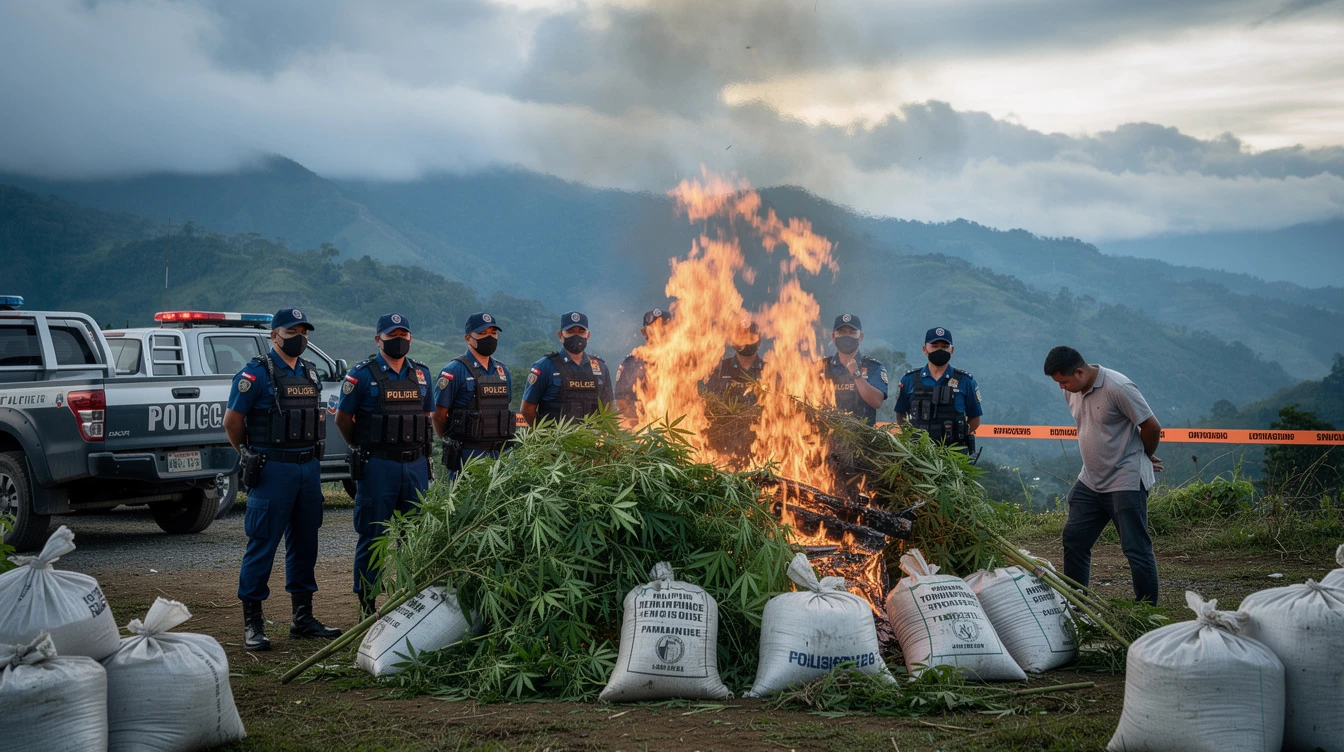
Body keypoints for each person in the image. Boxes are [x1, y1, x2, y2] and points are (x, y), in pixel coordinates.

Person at [223, 307, 341, 650]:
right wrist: (246, 452)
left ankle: (302, 619)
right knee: (262, 544)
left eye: (304, 332)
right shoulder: (256, 374)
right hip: (272, 469)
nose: (299, 338)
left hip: (307, 468)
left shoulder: (309, 372)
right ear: (274, 335)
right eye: (292, 332)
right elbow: (232, 421)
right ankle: (253, 624)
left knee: (305, 545)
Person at [1044, 345, 1163, 606]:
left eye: (1064, 381)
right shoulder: (1071, 391)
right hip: (1091, 478)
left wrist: (1143, 454)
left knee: (1135, 547)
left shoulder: (1118, 387)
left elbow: (1151, 427)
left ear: (1079, 372)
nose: (1061, 387)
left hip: (1125, 479)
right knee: (1074, 539)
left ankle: (1146, 612)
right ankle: (1077, 605)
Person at [335, 313, 435, 620]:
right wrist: (363, 446)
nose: (399, 340)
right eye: (392, 335)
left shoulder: (421, 374)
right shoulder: (361, 375)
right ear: (378, 340)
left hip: (415, 465)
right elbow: (343, 419)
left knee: (414, 538)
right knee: (373, 537)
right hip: (378, 466)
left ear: (411, 338)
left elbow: (427, 416)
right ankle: (367, 607)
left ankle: (409, 603)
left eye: (404, 335)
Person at [433, 312, 516, 479]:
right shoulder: (454, 370)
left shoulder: (503, 371)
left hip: (501, 455)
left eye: (493, 333)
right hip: (469, 455)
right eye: (482, 333)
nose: (489, 337)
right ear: (468, 338)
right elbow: (438, 415)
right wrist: (451, 442)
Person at [894, 327, 983, 453]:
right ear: (925, 349)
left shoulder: (965, 381)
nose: (940, 350)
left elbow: (975, 417)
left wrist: (958, 435)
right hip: (918, 454)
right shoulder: (909, 380)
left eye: (945, 347)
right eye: (934, 346)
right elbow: (900, 414)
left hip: (954, 455)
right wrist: (911, 438)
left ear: (952, 350)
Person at [521, 311, 615, 425]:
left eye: (581, 331)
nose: (576, 336)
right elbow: (527, 410)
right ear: (560, 335)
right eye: (570, 331)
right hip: (555, 436)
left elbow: (608, 409)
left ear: (588, 336)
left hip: (592, 435)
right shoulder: (544, 366)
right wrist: (544, 433)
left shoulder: (601, 368)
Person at [819, 313, 887, 425]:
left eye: (852, 332)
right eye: (841, 332)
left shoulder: (873, 367)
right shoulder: (821, 367)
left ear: (860, 337)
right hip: (826, 433)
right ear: (833, 337)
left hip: (862, 434)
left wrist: (856, 374)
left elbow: (877, 402)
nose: (847, 336)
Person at [615, 308, 670, 417]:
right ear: (644, 332)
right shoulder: (630, 363)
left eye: (664, 326)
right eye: (653, 328)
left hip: (675, 422)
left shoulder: (682, 362)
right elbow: (620, 400)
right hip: (639, 424)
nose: (659, 331)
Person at [708, 317, 765, 404]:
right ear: (733, 342)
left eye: (751, 338)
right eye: (742, 338)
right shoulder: (720, 369)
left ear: (759, 341)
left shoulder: (769, 370)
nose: (746, 342)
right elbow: (711, 401)